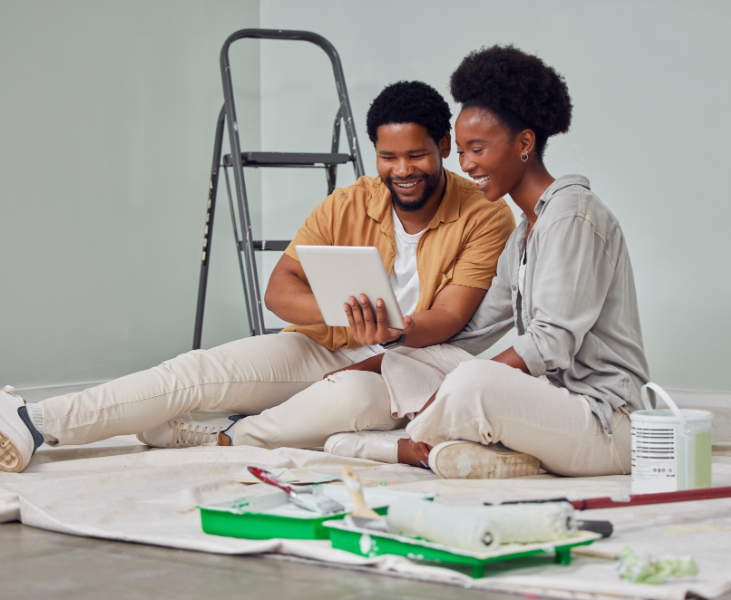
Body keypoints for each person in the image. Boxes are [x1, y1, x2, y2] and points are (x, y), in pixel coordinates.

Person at [0, 81, 515, 474]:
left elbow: (448, 318)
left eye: (416, 154)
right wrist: (344, 315)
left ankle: (230, 435)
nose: (402, 169)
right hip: (325, 344)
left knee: (350, 401)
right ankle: (36, 422)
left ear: (444, 146)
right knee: (198, 371)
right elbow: (280, 288)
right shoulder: (351, 200)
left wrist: (391, 330)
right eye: (389, 156)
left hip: (407, 368)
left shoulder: (487, 216)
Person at [326, 46, 650, 479]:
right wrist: (396, 341)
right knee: (434, 363)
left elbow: (551, 343)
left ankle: (395, 446)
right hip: (558, 409)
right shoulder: (524, 234)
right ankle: (448, 444)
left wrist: (448, 391)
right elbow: (474, 330)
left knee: (472, 381)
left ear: (525, 143)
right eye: (460, 151)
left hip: (609, 423)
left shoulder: (572, 215)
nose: (466, 165)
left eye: (477, 148)